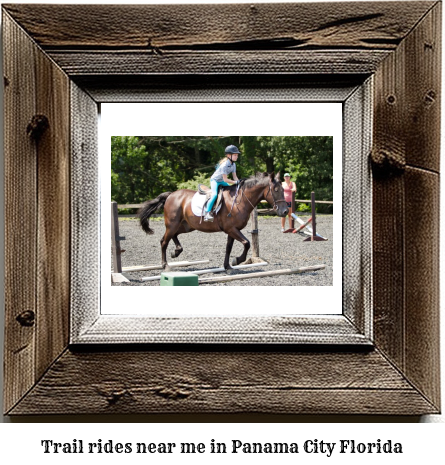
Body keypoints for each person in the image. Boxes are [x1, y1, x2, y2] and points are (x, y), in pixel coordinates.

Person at [204, 145, 240, 222]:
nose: (237, 156)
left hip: (222, 181)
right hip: (215, 181)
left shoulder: (233, 165)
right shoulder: (224, 165)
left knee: (232, 189)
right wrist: (235, 182)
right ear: (228, 155)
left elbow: (235, 177)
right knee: (214, 195)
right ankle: (207, 213)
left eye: (237, 155)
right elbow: (226, 179)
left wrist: (239, 183)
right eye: (235, 155)